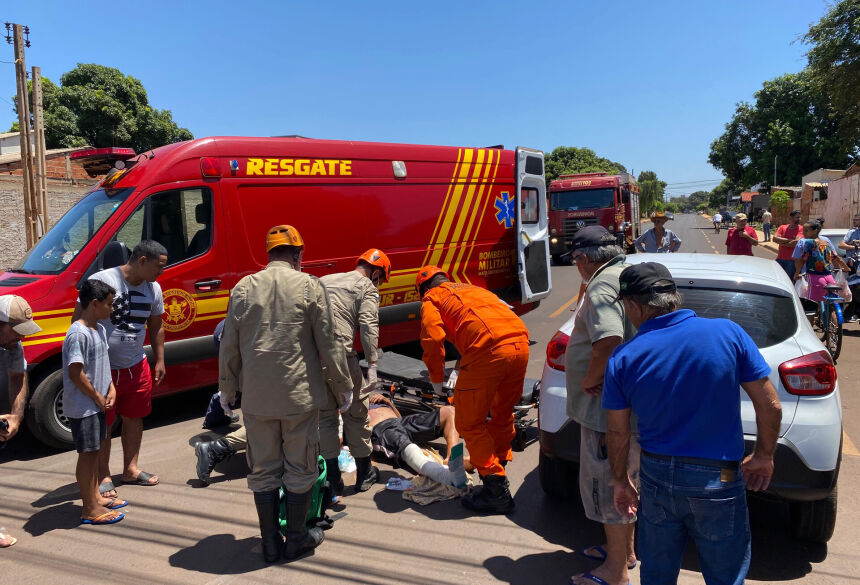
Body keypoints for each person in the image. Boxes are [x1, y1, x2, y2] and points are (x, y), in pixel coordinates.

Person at [603, 262, 783, 585]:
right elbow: (769, 405)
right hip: (721, 477)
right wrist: (764, 456)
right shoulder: (728, 333)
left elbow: (617, 431)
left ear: (633, 305)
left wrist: (620, 480)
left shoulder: (622, 358)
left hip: (656, 476)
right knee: (726, 577)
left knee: (657, 575)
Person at [219, 224, 353, 563]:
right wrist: (343, 387)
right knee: (300, 467)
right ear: (298, 254)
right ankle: (295, 539)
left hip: (257, 401)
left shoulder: (243, 288)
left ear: (269, 254)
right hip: (299, 398)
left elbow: (229, 346)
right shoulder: (310, 287)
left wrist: (227, 388)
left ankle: (269, 544)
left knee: (263, 470)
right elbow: (330, 344)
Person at [417, 265, 529, 514]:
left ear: (423, 288)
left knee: (469, 424)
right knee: (501, 413)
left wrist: (436, 377)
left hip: (487, 350)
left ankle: (495, 489)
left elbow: (433, 338)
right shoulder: (474, 290)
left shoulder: (431, 298)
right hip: (520, 343)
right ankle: (498, 465)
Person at [564, 226, 639, 585]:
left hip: (605, 409)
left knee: (610, 483)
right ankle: (624, 552)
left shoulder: (601, 284)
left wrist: (591, 378)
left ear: (582, 259)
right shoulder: (628, 273)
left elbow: (608, 337)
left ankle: (615, 573)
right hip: (629, 401)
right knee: (625, 476)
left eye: (576, 260)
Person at [73, 240, 167, 496]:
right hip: (104, 368)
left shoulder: (153, 288)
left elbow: (156, 325)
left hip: (136, 365)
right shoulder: (102, 281)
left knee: (134, 417)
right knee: (104, 423)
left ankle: (131, 469)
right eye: (159, 266)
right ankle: (103, 475)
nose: (162, 272)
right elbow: (79, 322)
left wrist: (159, 359)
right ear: (143, 261)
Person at [318, 249, 392, 498]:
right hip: (342, 358)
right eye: (380, 279)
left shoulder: (325, 280)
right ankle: (364, 473)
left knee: (326, 419)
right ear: (376, 271)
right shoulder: (366, 288)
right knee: (357, 414)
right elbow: (369, 327)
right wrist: (372, 365)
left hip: (314, 359)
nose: (378, 284)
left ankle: (332, 479)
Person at [63, 279, 128, 526]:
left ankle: (96, 497)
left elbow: (102, 366)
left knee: (95, 451)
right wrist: (97, 396)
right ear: (94, 303)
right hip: (84, 407)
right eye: (109, 305)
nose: (112, 309)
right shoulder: (78, 334)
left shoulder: (99, 329)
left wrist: (110, 387)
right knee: (87, 455)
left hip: (97, 403)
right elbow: (75, 373)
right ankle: (89, 508)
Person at [0, 295, 42, 547]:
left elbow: (17, 377)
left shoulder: (13, 344)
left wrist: (15, 416)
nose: (22, 337)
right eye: (16, 331)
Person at [368, 394, 467, 487]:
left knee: (450, 411)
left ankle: (452, 459)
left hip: (401, 422)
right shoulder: (354, 404)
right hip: (381, 428)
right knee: (400, 440)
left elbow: (399, 416)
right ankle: (445, 476)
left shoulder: (373, 398)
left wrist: (387, 402)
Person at [792, 220, 850, 302]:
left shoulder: (808, 242)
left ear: (815, 231)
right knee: (830, 303)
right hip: (829, 277)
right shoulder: (826, 242)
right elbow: (836, 258)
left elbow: (800, 259)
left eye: (806, 230)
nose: (803, 232)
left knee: (814, 302)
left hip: (815, 277)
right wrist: (846, 268)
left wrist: (797, 273)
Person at [838, 213, 860, 322]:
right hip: (852, 266)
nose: (854, 222)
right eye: (854, 219)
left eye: (857, 220)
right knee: (852, 287)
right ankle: (850, 313)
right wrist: (853, 246)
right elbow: (841, 245)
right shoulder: (852, 232)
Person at [773, 210, 803, 279]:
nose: (799, 219)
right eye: (797, 217)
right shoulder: (782, 227)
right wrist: (791, 241)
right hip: (780, 259)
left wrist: (781, 242)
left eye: (800, 217)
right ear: (790, 218)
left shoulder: (801, 229)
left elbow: (796, 243)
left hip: (792, 261)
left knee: (788, 280)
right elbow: (774, 239)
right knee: (777, 279)